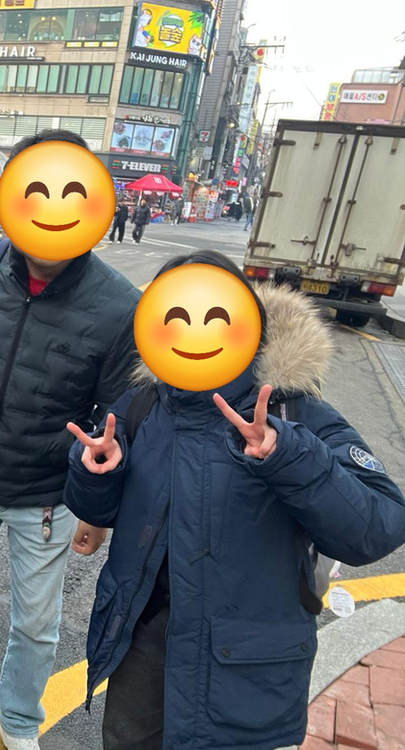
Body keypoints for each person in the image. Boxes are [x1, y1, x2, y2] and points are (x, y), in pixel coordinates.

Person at [63, 250, 405, 750]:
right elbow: (99, 510)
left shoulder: (292, 409)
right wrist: (96, 471)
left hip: (244, 665)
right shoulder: (142, 405)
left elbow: (379, 525)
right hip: (142, 651)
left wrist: (288, 455)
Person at [0, 129, 140, 750]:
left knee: (37, 624)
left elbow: (120, 415)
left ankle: (19, 722)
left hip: (45, 495)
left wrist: (99, 506)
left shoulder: (120, 306)